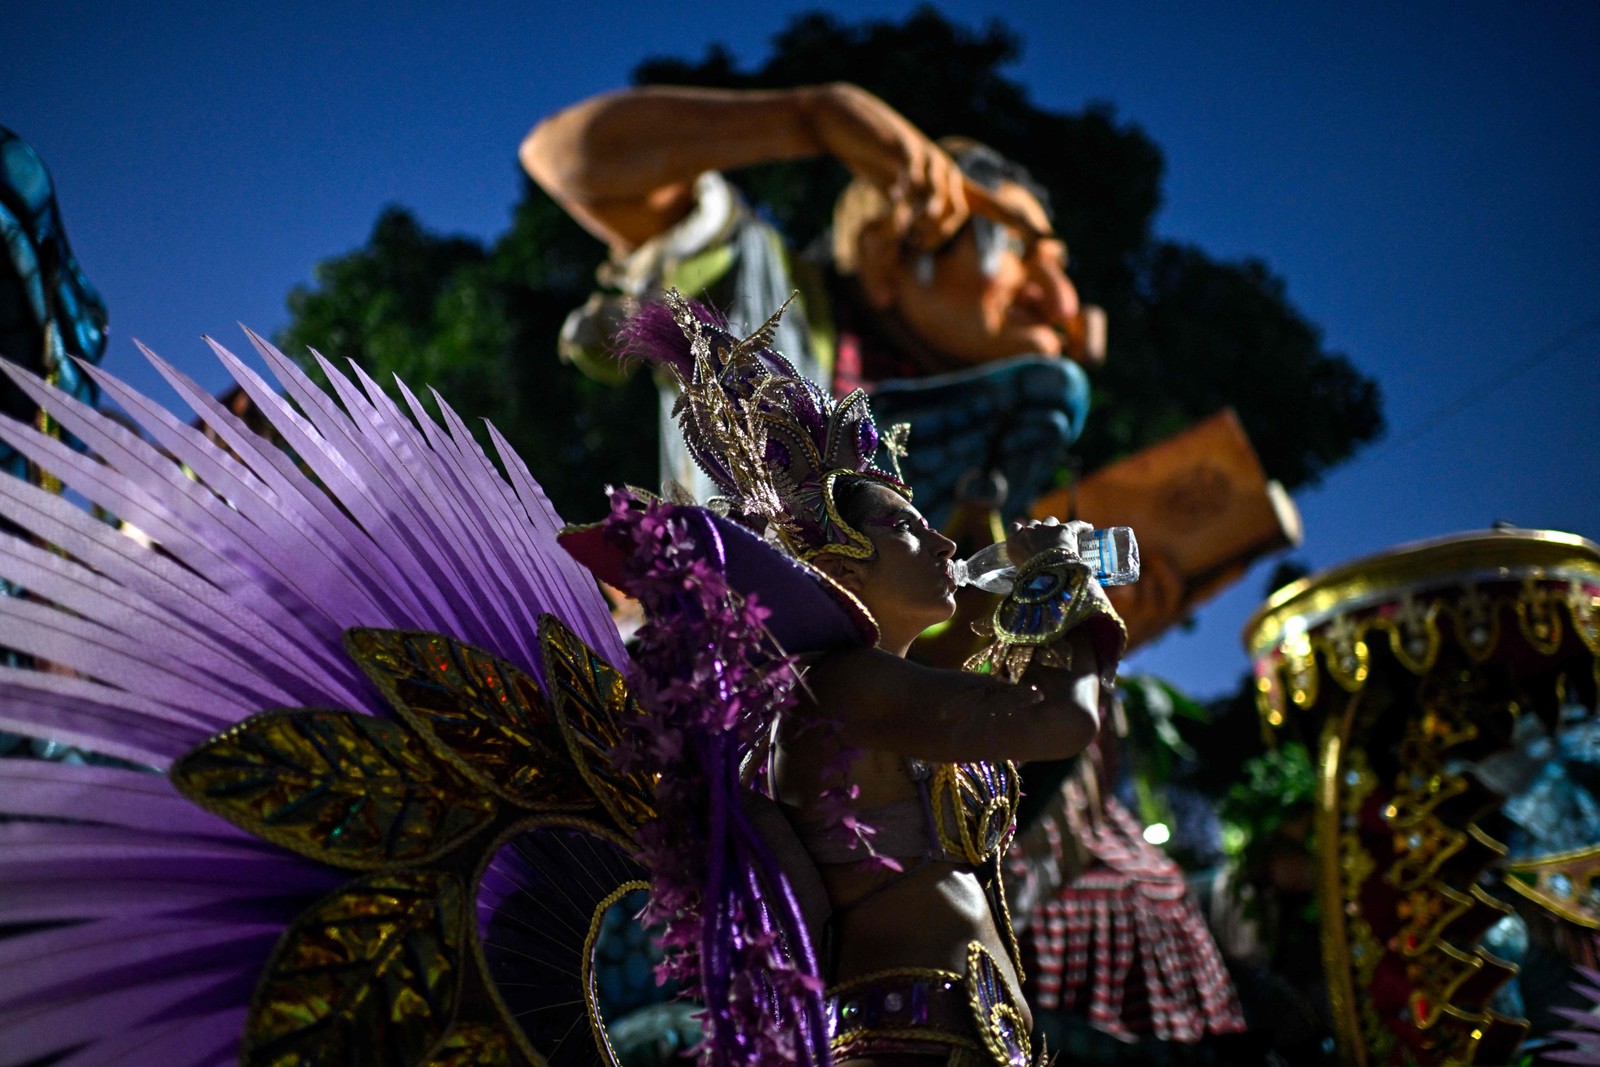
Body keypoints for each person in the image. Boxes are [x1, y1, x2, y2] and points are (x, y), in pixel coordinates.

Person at [522, 83, 1102, 529]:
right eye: (1017, 251)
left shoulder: (1015, 456)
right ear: (890, 255)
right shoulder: (756, 279)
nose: (1060, 298)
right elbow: (564, 158)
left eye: (1062, 267)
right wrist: (812, 117)